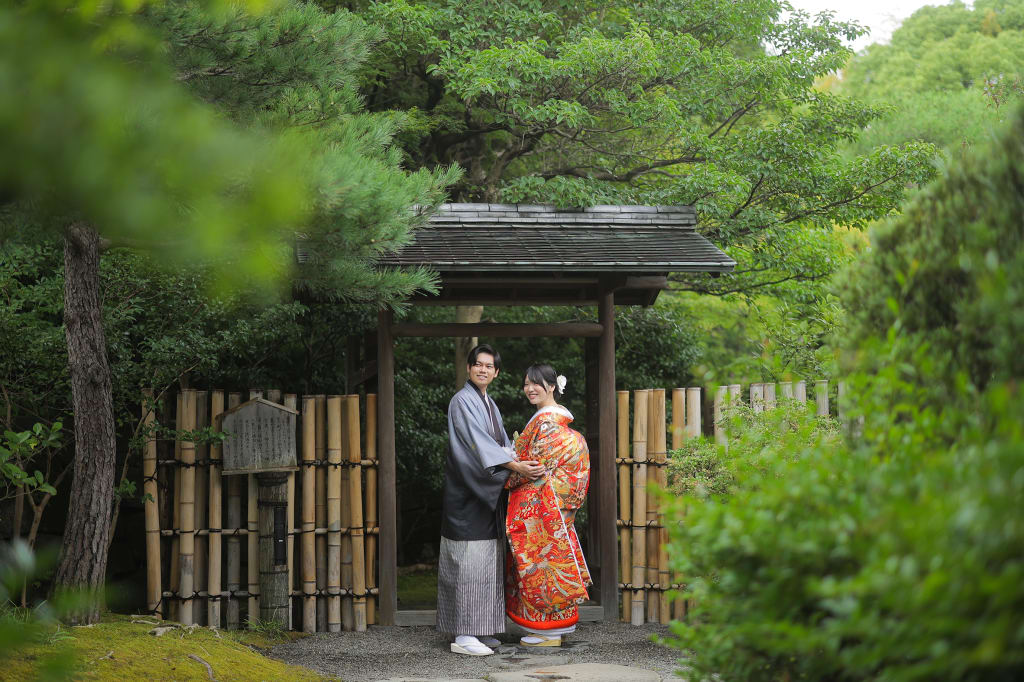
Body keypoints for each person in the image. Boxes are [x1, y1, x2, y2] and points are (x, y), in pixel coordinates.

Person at [438, 344, 545, 656]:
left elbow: (498, 443)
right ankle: (463, 633)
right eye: (478, 365)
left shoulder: (488, 402)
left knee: (486, 562)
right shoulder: (462, 402)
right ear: (469, 368)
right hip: (467, 493)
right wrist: (515, 466)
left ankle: (480, 629)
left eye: (489, 366)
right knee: (467, 563)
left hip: (485, 493)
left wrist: (515, 456)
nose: (483, 370)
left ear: (496, 372)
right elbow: (476, 444)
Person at [504, 363, 592, 647]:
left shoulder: (547, 424)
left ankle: (549, 631)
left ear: (552, 386)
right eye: (527, 383)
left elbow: (533, 465)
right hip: (553, 504)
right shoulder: (552, 422)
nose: (530, 388)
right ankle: (549, 629)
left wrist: (509, 467)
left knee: (542, 565)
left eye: (537, 383)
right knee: (551, 562)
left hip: (545, 505)